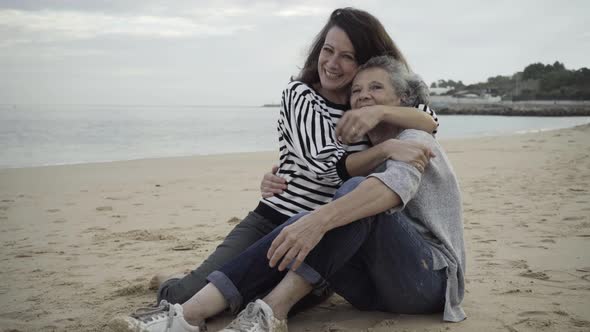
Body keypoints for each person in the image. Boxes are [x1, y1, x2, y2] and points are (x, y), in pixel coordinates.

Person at [109, 56, 465, 332]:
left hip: (427, 282)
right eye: (356, 91)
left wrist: (316, 221)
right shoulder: (363, 148)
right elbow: (322, 166)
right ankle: (190, 314)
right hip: (371, 291)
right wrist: (285, 181)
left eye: (375, 88)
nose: (362, 96)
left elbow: (389, 192)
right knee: (336, 206)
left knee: (349, 199)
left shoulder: (414, 139)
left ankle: (257, 312)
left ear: (400, 100)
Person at [151, 7, 438, 309]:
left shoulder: (368, 102)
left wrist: (378, 111)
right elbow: (326, 169)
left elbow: (429, 119)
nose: (332, 63)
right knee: (186, 299)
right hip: (272, 222)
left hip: (327, 236)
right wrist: (384, 149)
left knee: (258, 302)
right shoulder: (300, 95)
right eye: (328, 50)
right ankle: (169, 280)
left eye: (347, 56)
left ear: (364, 62)